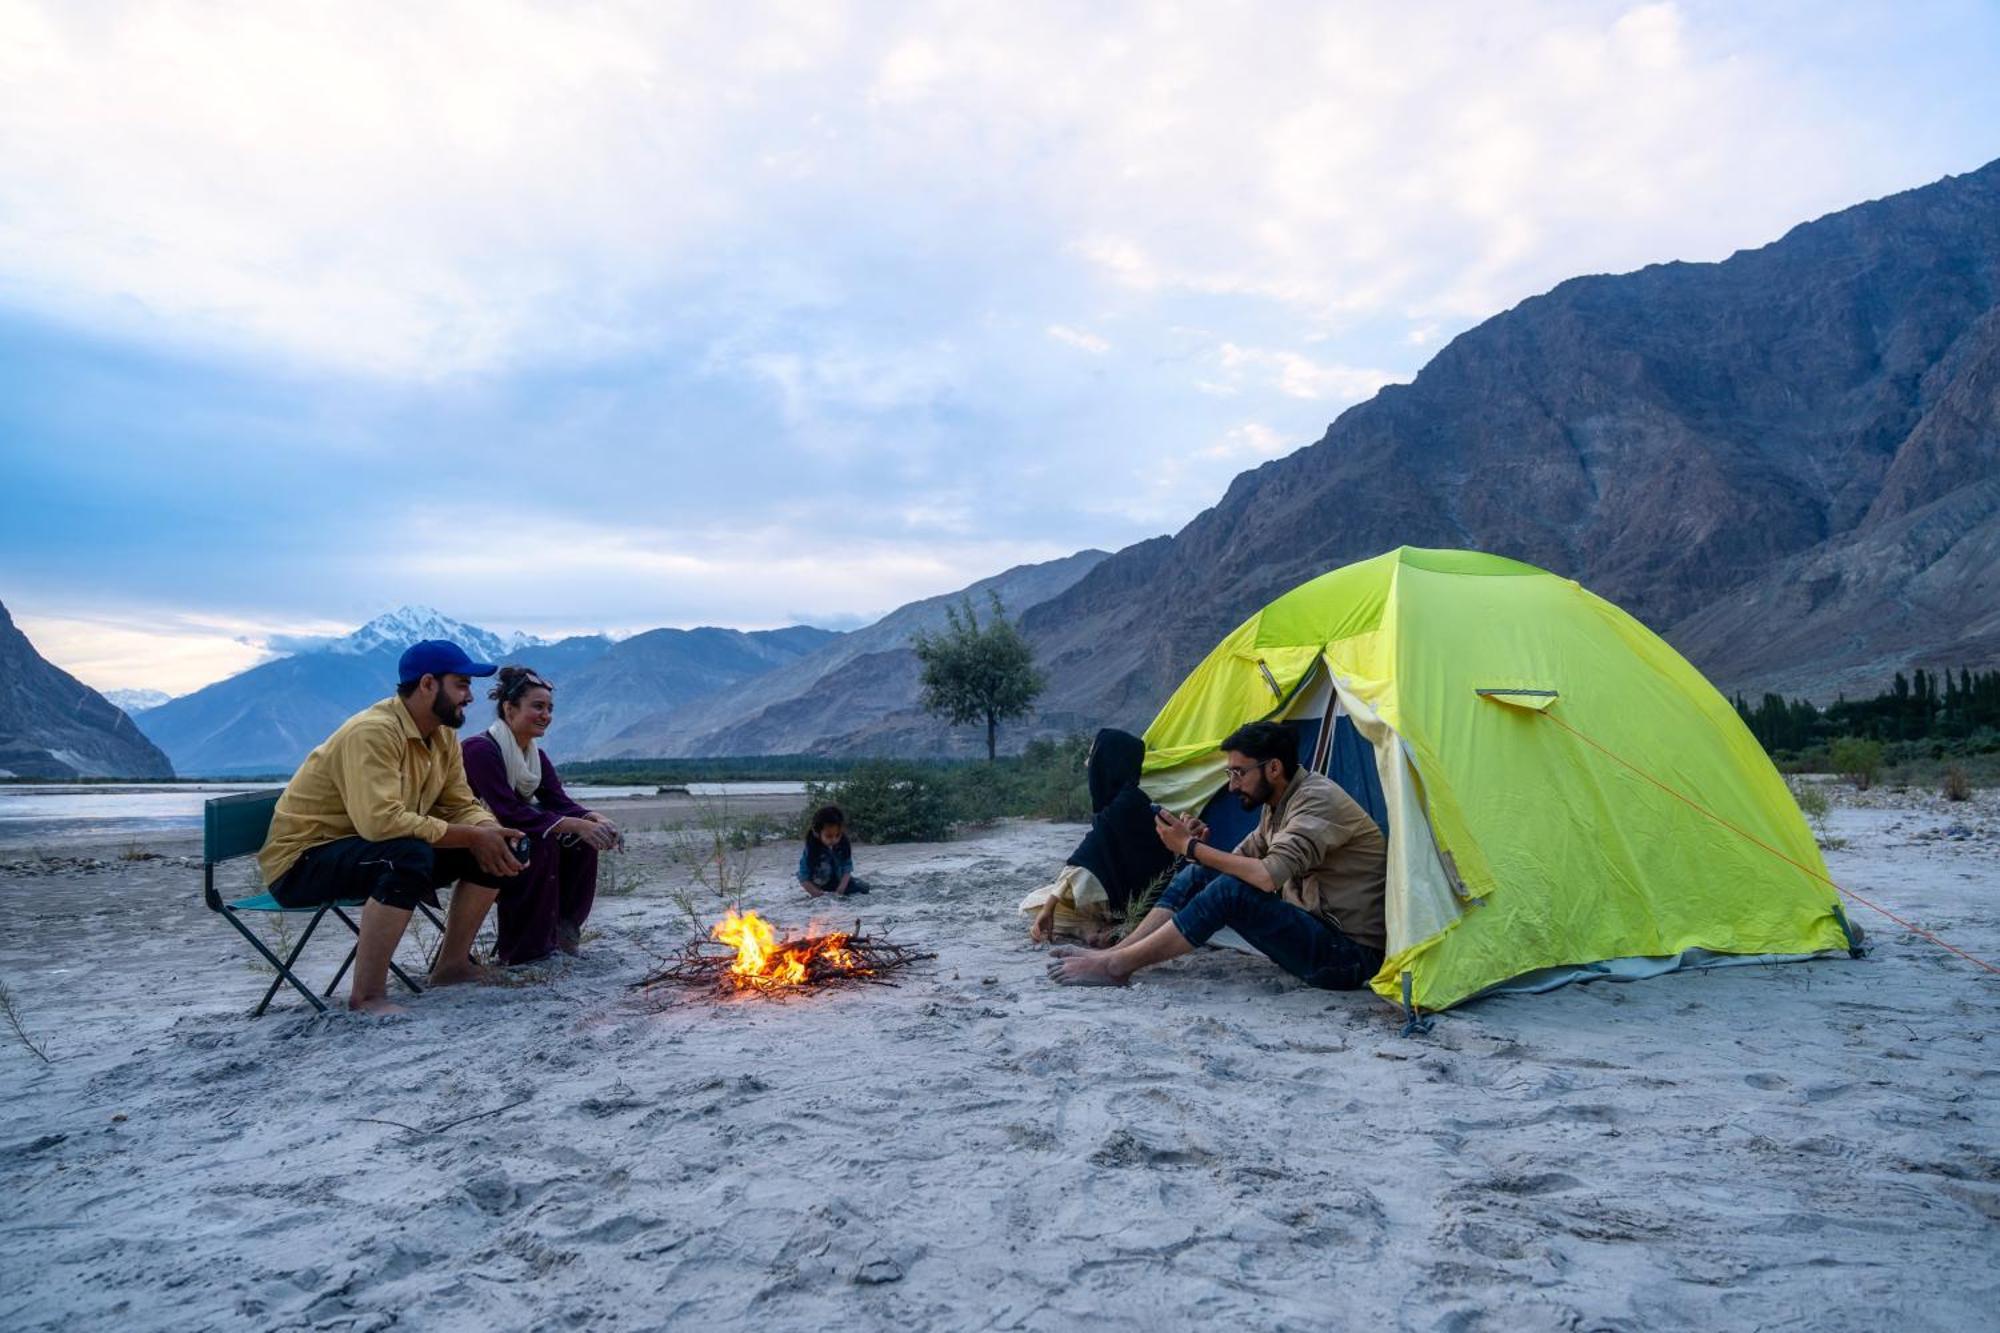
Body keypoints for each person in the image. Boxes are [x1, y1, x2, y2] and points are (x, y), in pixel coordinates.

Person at [258, 640, 529, 1015]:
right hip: (303, 862)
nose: (469, 697)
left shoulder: (443, 734)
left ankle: (451, 967)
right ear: (428, 685)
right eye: (462, 685)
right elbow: (380, 823)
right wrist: (472, 834)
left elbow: (458, 803)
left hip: (363, 848)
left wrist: (488, 831)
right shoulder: (374, 732)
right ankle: (367, 996)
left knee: (495, 850)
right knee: (404, 857)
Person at [1048, 719, 1386, 991]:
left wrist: (1192, 848)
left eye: (1239, 773)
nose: (1232, 785)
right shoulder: (1279, 803)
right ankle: (1117, 952)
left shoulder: (1316, 801)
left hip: (1348, 957)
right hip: (1319, 935)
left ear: (1273, 769)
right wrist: (1198, 848)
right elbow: (1233, 865)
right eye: (1230, 774)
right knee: (1201, 875)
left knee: (1231, 892)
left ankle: (1116, 967)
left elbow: (1267, 876)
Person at [460, 666, 620, 964]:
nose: (546, 714)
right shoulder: (479, 751)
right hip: (474, 840)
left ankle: (563, 932)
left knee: (579, 841)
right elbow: (508, 812)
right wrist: (573, 824)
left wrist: (594, 818)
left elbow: (558, 802)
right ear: (509, 709)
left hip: (511, 835)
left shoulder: (536, 756)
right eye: (537, 706)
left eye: (549, 708)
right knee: (539, 841)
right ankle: (526, 949)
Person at [1021, 728, 1174, 943]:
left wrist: (1050, 907)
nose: (1087, 764)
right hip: (1131, 895)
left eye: (1092, 756)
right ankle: (1093, 928)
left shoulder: (1125, 805)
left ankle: (1091, 929)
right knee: (1035, 901)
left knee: (1058, 894)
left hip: (1130, 899)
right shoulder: (1130, 800)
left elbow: (1083, 862)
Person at [797, 804, 869, 898]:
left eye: (837, 835)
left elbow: (847, 868)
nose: (834, 840)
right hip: (821, 888)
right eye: (829, 836)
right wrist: (816, 894)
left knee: (865, 888)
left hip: (841, 883)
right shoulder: (811, 850)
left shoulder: (842, 846)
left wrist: (841, 888)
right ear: (816, 832)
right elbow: (803, 877)